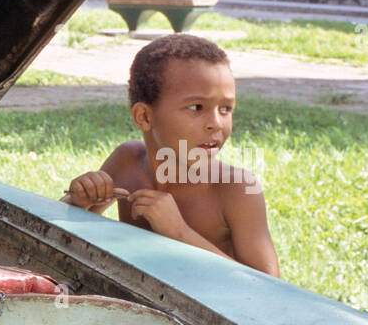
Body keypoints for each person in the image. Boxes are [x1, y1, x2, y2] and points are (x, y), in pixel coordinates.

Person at [62, 34, 279, 277]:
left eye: (225, 108)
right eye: (197, 107)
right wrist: (78, 202)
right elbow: (62, 233)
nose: (216, 124)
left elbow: (268, 286)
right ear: (144, 117)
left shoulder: (235, 189)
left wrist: (179, 233)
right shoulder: (127, 161)